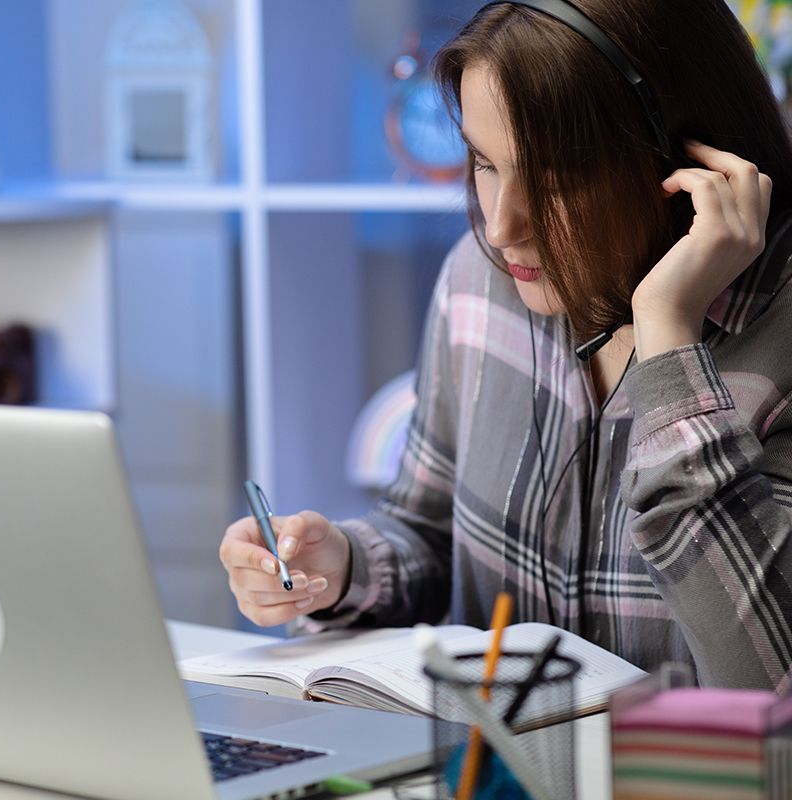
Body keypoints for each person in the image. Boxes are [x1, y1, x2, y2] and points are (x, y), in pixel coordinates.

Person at [219, 0, 792, 691]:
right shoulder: (479, 284)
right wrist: (338, 568)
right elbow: (428, 534)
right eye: (485, 164)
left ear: (693, 169)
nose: (499, 226)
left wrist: (670, 346)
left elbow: (769, 681)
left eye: (554, 181)